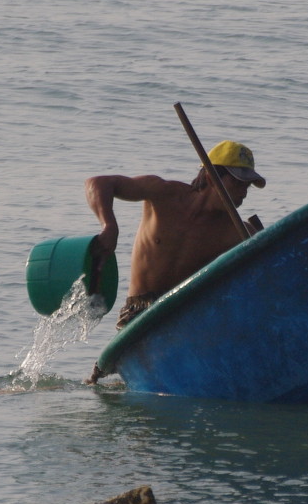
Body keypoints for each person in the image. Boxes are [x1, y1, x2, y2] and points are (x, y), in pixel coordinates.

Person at [83, 140, 265, 384]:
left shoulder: (236, 232)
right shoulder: (163, 194)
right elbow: (99, 183)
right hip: (138, 313)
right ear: (212, 177)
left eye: (248, 186)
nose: (243, 192)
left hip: (183, 315)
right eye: (238, 183)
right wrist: (109, 226)